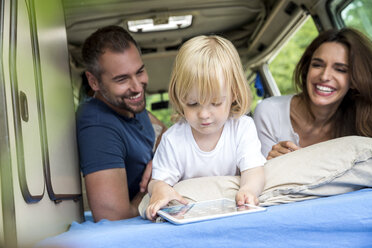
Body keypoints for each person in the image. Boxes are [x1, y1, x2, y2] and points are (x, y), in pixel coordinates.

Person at [145, 35, 266, 220]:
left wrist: (248, 189)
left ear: (234, 93)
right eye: (192, 103)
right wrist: (160, 190)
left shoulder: (242, 127)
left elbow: (254, 170)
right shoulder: (173, 139)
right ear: (179, 98)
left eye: (215, 102)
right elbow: (157, 182)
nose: (203, 114)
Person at [77, 25, 166, 221]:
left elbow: (164, 133)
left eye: (140, 71)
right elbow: (113, 217)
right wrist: (154, 182)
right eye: (122, 79)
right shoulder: (97, 126)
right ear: (94, 82)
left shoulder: (131, 106)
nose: (136, 87)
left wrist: (158, 160)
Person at [254, 27, 372, 160]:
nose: (325, 76)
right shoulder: (269, 112)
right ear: (306, 69)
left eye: (340, 69)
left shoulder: (362, 122)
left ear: (354, 81)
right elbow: (263, 176)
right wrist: (270, 163)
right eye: (317, 65)